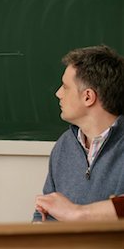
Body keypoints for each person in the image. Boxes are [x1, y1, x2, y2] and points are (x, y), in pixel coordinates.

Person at [33, 45, 124, 222]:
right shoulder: (64, 146)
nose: (58, 93)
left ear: (88, 97)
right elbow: (45, 213)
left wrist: (78, 213)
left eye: (65, 87)